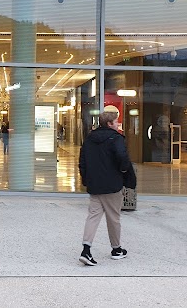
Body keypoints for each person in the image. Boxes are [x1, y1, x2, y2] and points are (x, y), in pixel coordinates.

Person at [78, 111, 133, 266]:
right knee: (113, 217)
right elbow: (123, 157)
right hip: (112, 185)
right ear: (109, 124)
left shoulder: (89, 139)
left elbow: (82, 161)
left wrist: (86, 179)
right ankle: (116, 249)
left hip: (95, 184)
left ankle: (86, 249)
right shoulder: (116, 139)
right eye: (116, 122)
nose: (117, 124)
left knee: (93, 216)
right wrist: (123, 171)